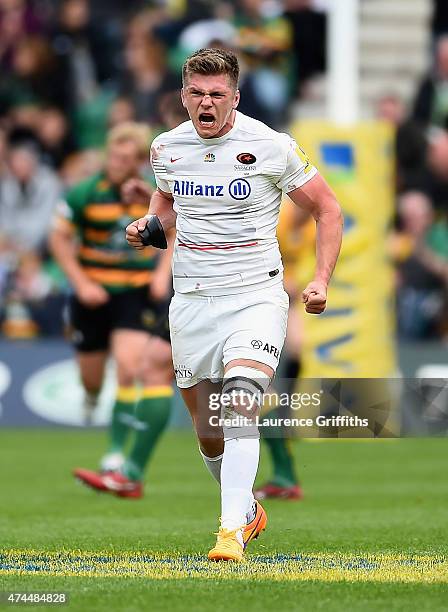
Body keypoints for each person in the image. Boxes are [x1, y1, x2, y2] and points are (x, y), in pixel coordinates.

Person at [126, 48, 342, 561]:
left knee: (240, 402)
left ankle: (228, 533)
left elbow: (328, 210)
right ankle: (246, 510)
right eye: (197, 94)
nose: (206, 103)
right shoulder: (166, 148)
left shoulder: (271, 145)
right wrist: (149, 226)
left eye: (217, 95)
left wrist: (320, 280)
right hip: (193, 299)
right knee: (208, 432)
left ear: (235, 98)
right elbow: (167, 205)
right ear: (182, 97)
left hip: (255, 296)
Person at [49, 122, 174, 495]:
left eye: (129, 157)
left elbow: (175, 230)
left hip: (133, 293)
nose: (121, 162)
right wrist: (82, 283)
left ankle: (116, 454)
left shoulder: (148, 195)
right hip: (92, 295)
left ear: (138, 161)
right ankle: (90, 397)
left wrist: (160, 275)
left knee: (129, 367)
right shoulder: (85, 193)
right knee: (93, 379)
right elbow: (59, 239)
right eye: (116, 155)